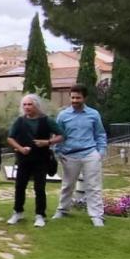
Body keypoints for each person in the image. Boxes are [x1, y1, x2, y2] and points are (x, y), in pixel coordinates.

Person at [54, 84, 108, 227]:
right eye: (72, 97)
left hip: (90, 154)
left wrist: (100, 152)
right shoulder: (63, 115)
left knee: (93, 186)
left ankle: (97, 216)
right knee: (67, 185)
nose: (75, 100)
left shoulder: (93, 114)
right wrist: (57, 152)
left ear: (84, 98)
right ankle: (62, 210)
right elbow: (58, 135)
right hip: (69, 155)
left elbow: (100, 134)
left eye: (78, 97)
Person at [6, 94, 64, 228]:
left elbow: (61, 135)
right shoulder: (19, 121)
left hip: (41, 159)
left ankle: (40, 215)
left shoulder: (47, 120)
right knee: (19, 186)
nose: (27, 107)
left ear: (36, 105)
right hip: (23, 159)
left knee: (39, 187)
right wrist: (20, 148)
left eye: (30, 104)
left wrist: (48, 142)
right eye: (24, 105)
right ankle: (18, 212)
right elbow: (10, 138)